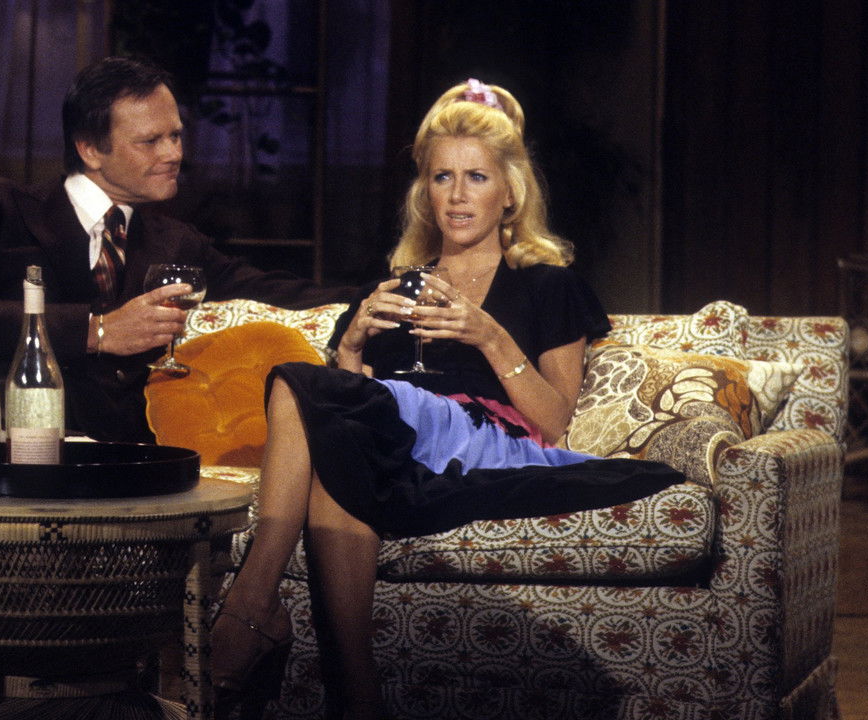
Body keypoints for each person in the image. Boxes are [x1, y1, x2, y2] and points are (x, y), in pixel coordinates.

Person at [208, 79, 684, 719]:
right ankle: (357, 697)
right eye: (442, 177)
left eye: (476, 177)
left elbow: (552, 423)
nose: (457, 195)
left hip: (483, 449)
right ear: (424, 192)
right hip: (399, 459)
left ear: (510, 191)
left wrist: (488, 334)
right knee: (337, 455)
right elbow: (350, 401)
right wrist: (351, 344)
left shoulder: (548, 286)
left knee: (300, 383)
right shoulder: (396, 288)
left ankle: (249, 606)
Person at [0, 56, 349, 465]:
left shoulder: (176, 243)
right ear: (90, 149)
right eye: (151, 141)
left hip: (114, 455)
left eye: (175, 135)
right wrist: (98, 330)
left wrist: (378, 294)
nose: (173, 154)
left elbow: (275, 291)